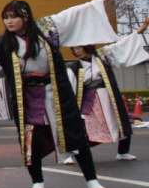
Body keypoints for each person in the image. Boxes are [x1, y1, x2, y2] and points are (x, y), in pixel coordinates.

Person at [0, 0, 120, 188]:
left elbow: (72, 15)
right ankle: (37, 181)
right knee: (31, 140)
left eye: (13, 17)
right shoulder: (3, 43)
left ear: (25, 17)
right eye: (6, 17)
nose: (9, 21)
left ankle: (92, 180)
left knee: (74, 135)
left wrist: (99, 1)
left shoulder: (47, 30)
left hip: (56, 93)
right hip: (27, 96)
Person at [63, 17, 149, 163]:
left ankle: (123, 152)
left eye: (78, 47)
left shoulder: (103, 56)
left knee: (121, 122)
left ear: (87, 46)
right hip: (89, 101)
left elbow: (121, 45)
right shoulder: (74, 68)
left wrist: (141, 30)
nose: (76, 51)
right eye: (74, 49)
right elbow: (69, 88)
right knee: (82, 128)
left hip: (108, 98)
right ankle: (70, 153)